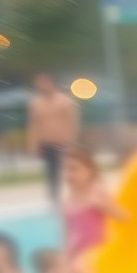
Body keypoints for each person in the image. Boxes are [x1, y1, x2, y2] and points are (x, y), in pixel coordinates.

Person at [60, 146, 127, 273]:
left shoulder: (98, 193)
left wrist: (104, 206)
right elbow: (65, 236)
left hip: (100, 257)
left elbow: (125, 217)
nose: (68, 174)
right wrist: (66, 260)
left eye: (74, 168)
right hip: (78, 259)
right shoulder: (65, 202)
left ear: (89, 171)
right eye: (65, 169)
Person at [26, 74, 81, 204]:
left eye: (44, 83)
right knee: (51, 173)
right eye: (39, 84)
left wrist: (72, 141)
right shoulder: (35, 103)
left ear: (52, 83)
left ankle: (76, 197)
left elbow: (72, 122)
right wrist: (33, 143)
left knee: (69, 172)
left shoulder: (65, 101)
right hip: (47, 143)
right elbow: (33, 124)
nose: (41, 86)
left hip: (63, 143)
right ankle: (54, 200)